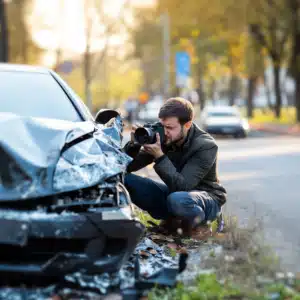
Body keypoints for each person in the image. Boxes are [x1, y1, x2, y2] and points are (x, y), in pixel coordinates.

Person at [123, 97, 227, 239]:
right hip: (175, 194)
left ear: (187, 125)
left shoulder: (206, 145)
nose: (164, 132)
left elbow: (183, 186)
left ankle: (200, 226)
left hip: (206, 200)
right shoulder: (164, 137)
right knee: (125, 179)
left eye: (170, 127)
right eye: (162, 125)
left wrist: (159, 156)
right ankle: (173, 222)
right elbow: (126, 166)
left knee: (178, 200)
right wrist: (135, 145)